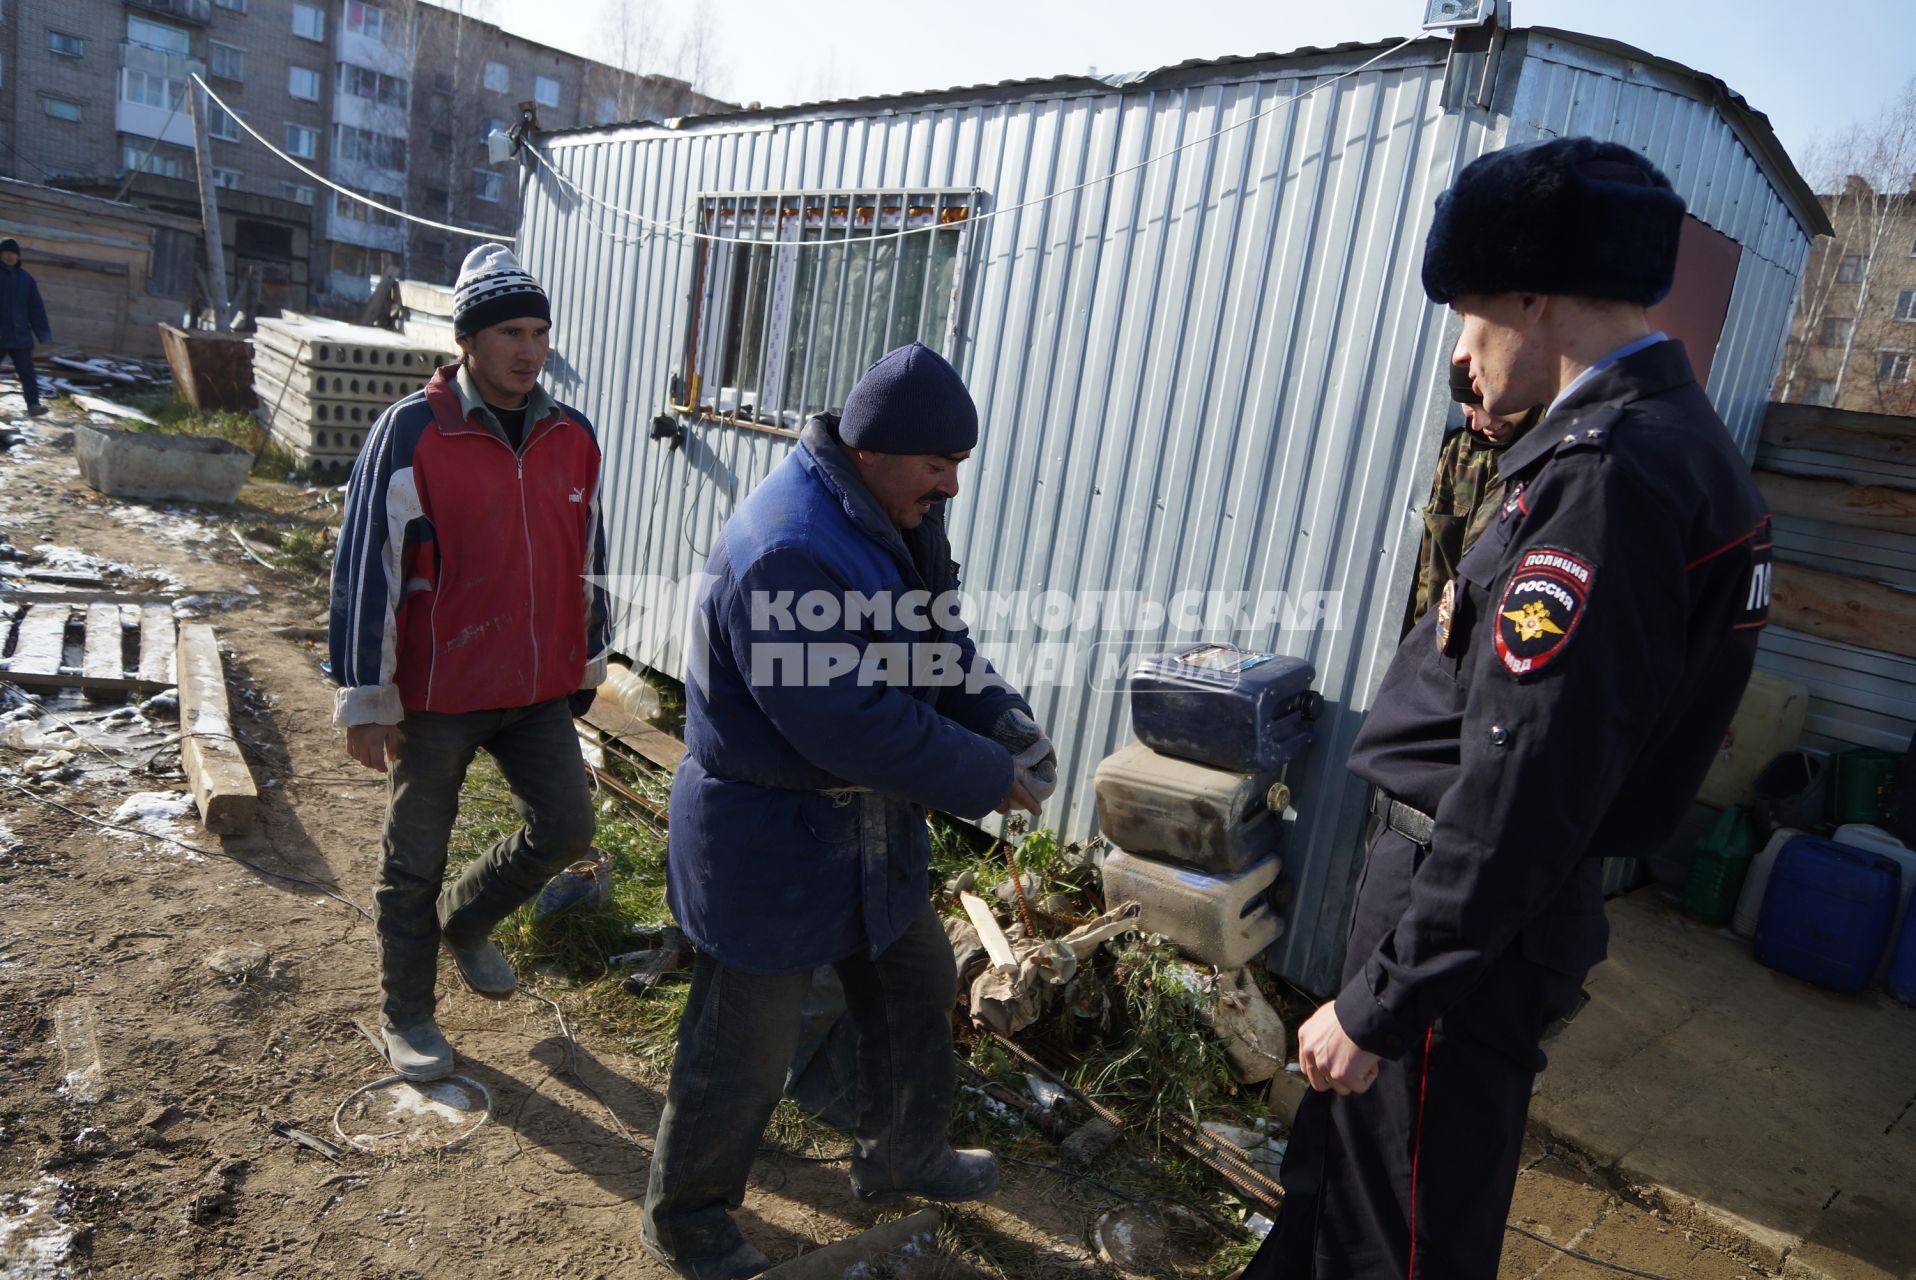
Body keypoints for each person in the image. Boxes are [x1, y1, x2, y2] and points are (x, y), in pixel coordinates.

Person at [1248, 137, 1773, 1279]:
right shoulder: (1655, 449)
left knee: (1401, 1228)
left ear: (1533, 302)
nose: (1458, 348)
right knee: (1340, 1190)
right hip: (1468, 909)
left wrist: (1379, 1001)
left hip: (1460, 920)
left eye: (1469, 315)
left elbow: (1525, 780)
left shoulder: (1607, 477)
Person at [642, 342, 1057, 1280]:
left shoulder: (892, 518)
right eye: (938, 465)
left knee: (914, 990)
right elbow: (847, 723)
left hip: (867, 827)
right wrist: (987, 774)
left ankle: (901, 1154)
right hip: (771, 834)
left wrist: (1002, 716)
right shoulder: (789, 546)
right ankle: (688, 1216)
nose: (951, 486)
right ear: (875, 448)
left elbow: (933, 642)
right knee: (742, 1044)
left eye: (958, 466)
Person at [329, 242, 609, 1082]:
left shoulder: (572, 434)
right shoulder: (413, 433)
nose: (530, 349)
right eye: (511, 333)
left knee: (567, 827)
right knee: (411, 861)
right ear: (469, 342)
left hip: (533, 691)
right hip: (437, 693)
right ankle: (408, 1014)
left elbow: (588, 550)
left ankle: (468, 919)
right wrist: (367, 694)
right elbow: (367, 563)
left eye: (540, 331)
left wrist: (587, 658)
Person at [1404, 363, 1542, 628]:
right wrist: (1424, 635)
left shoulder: (1553, 455)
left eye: (1487, 407)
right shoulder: (1459, 451)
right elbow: (1434, 561)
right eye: (1469, 410)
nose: (1481, 424)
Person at [0, 237, 52, 418]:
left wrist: (43, 334)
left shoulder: (26, 279)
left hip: (20, 336)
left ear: (18, 256)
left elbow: (36, 308)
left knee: (27, 373)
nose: (9, 256)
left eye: (13, 253)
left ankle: (33, 406)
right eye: (6, 252)